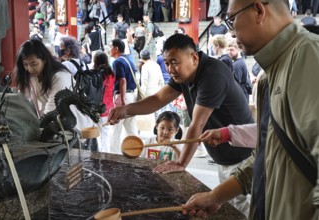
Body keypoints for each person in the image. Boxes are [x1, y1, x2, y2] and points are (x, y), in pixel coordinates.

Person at [182, 1, 319, 220]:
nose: (231, 32)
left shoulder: (307, 56)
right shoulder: (271, 75)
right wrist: (215, 196)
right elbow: (267, 158)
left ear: (259, 10)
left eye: (232, 19)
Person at [108, 33, 254, 215]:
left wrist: (181, 163)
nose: (170, 69)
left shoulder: (212, 75)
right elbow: (159, 98)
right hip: (224, 157)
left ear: (193, 57)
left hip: (244, 158)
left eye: (174, 62)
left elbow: (197, 124)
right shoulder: (185, 75)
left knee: (245, 211)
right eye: (167, 63)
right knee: (231, 208)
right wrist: (127, 110)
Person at [14, 39, 95, 133]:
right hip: (58, 126)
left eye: (34, 64)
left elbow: (51, 111)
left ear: (44, 59)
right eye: (25, 65)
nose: (30, 69)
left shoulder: (60, 77)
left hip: (78, 128)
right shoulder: (32, 77)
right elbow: (24, 102)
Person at [109, 38, 138, 154]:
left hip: (123, 96)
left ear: (116, 49)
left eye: (111, 47)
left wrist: (122, 100)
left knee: (115, 128)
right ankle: (136, 150)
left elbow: (122, 81)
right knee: (131, 127)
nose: (109, 50)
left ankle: (113, 154)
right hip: (132, 96)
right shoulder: (129, 60)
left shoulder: (117, 62)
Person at [93, 51, 115, 153]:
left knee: (96, 133)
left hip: (97, 107)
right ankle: (106, 153)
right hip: (109, 107)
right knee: (106, 133)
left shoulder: (96, 74)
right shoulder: (112, 74)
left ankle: (100, 154)